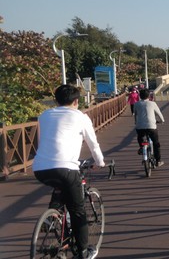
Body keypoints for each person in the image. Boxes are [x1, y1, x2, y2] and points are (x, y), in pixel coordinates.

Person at [32, 85, 106, 259]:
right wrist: (100, 162)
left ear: (56, 100)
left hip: (40, 169)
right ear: (76, 101)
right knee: (78, 211)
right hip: (66, 167)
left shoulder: (44, 115)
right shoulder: (81, 117)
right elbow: (93, 143)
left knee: (61, 186)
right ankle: (82, 252)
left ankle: (52, 215)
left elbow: (47, 140)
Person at [134, 88, 165, 166]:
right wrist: (162, 121)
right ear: (149, 96)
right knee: (156, 143)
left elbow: (135, 115)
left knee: (140, 137)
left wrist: (136, 122)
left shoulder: (136, 104)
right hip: (151, 126)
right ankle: (158, 161)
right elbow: (159, 114)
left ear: (140, 96)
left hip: (140, 126)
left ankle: (141, 147)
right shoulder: (152, 103)